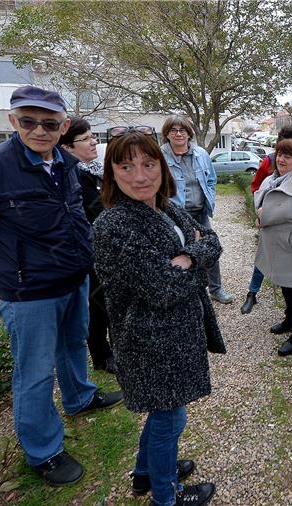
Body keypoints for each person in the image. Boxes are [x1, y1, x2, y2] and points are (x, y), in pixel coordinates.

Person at [0, 86, 122, 486]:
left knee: (74, 344)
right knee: (36, 373)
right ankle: (44, 451)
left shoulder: (66, 164)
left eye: (50, 123)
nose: (39, 130)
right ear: (13, 122)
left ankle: (80, 397)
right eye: (29, 121)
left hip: (73, 279)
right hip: (28, 292)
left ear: (62, 127)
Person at [93, 131, 224, 506]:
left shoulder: (164, 206)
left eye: (148, 164)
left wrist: (188, 257)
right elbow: (163, 288)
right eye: (126, 166)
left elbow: (212, 242)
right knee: (170, 420)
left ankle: (145, 474)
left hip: (180, 332)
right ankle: (166, 497)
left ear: (161, 167)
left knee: (168, 415)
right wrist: (194, 255)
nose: (140, 176)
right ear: (112, 173)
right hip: (149, 340)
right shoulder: (114, 225)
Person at [59, 117, 116, 374]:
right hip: (88, 255)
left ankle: (110, 350)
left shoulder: (90, 171)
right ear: (68, 147)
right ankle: (102, 356)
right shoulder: (71, 177)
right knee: (96, 307)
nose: (94, 141)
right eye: (86, 139)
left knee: (106, 303)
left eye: (93, 136)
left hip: (104, 251)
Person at [241, 124, 292, 314]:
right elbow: (256, 186)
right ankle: (252, 293)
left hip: (289, 231)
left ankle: (291, 317)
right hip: (269, 224)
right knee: (262, 261)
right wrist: (261, 211)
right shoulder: (269, 161)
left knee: (289, 278)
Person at [253, 139, 292, 357]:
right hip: (276, 246)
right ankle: (289, 320)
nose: (280, 159)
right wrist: (261, 216)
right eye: (279, 154)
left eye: (287, 156)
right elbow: (261, 203)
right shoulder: (272, 180)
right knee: (284, 287)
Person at [160, 115, 233, 304]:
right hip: (175, 216)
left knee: (209, 249)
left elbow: (211, 180)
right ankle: (185, 293)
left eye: (182, 130)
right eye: (173, 130)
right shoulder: (159, 156)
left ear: (188, 133)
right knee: (180, 253)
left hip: (199, 213)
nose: (178, 134)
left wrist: (209, 198)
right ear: (166, 134)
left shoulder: (201, 154)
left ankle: (216, 289)